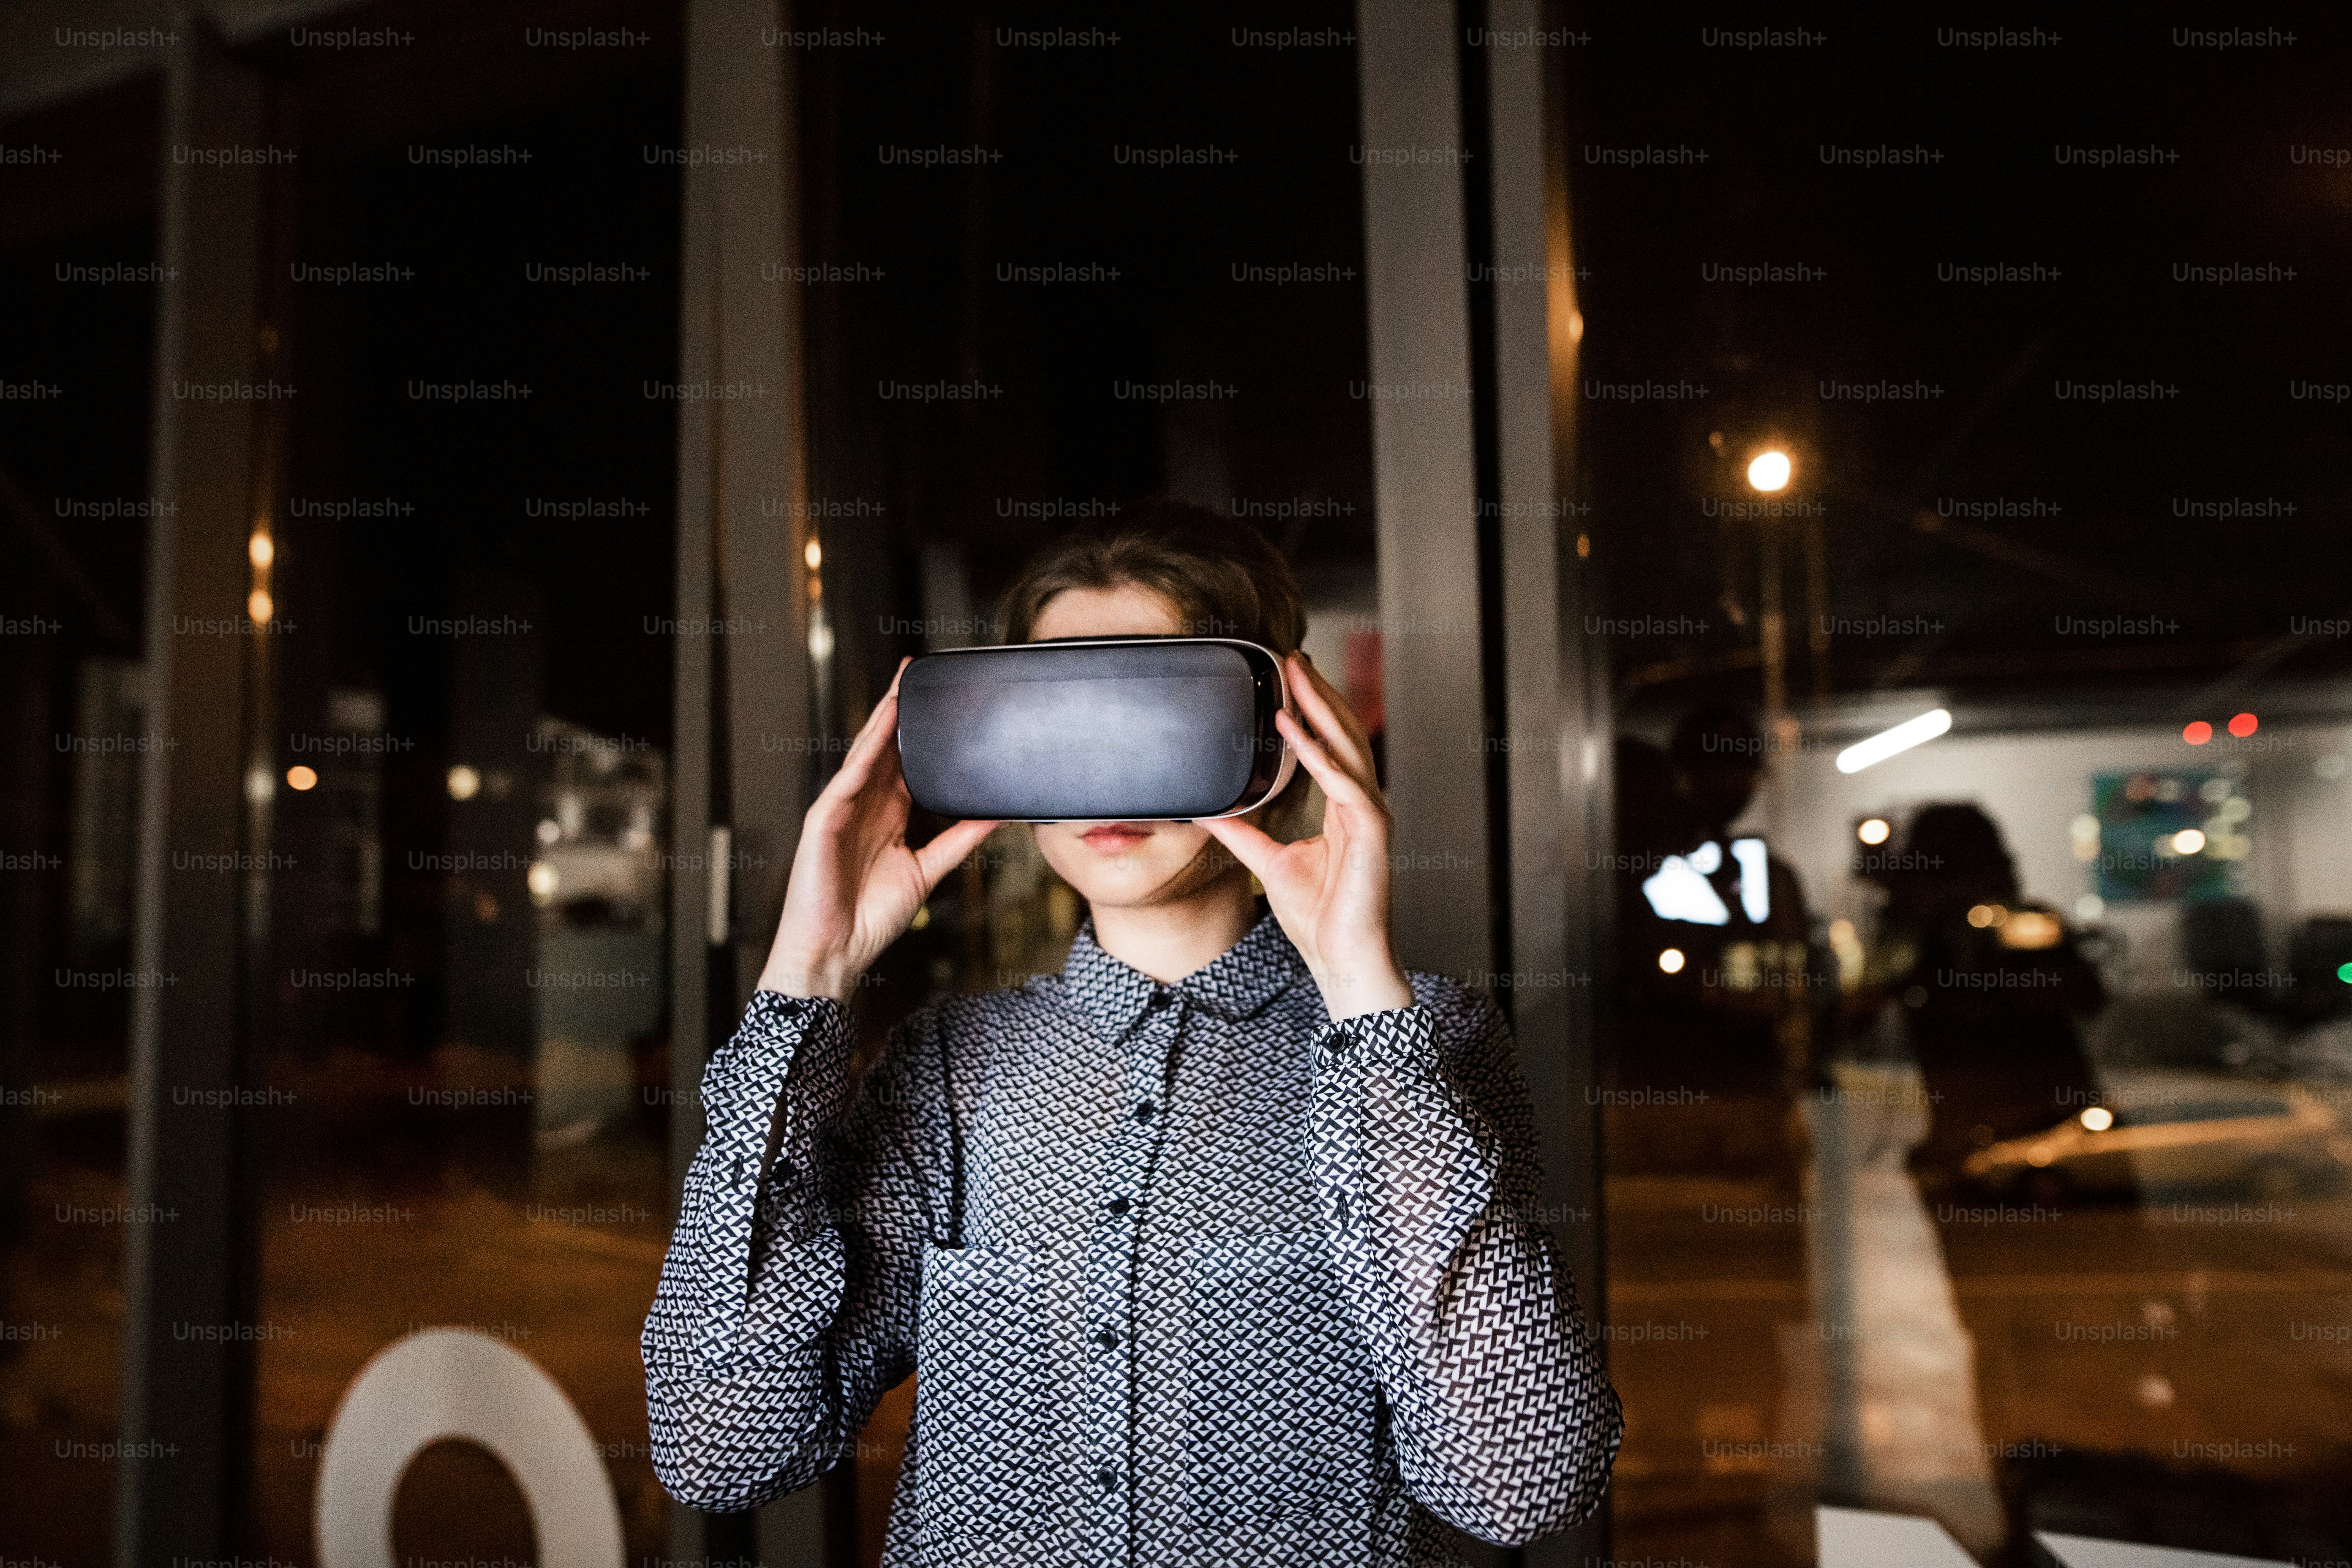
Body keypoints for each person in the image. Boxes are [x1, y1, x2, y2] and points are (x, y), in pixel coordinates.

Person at [642, 503, 1622, 1565]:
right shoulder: (948, 1066)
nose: (1106, 767)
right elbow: (718, 1446)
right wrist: (809, 973)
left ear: (1278, 728)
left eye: (1155, 702)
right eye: (1062, 711)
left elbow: (1519, 1479)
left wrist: (1359, 988)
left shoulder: (1422, 1036)